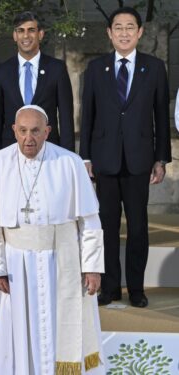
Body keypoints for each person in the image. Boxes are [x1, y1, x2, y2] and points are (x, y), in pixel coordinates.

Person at [0, 105, 104, 374]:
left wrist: (91, 267)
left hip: (62, 263)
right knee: (20, 330)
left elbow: (89, 222)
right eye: (22, 131)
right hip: (16, 265)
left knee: (61, 327)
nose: (28, 138)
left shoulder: (69, 162)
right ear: (14, 131)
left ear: (47, 132)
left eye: (35, 131)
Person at [80, 6, 171, 308]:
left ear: (140, 32)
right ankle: (110, 287)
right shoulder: (95, 69)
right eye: (118, 27)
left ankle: (135, 288)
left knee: (138, 227)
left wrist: (161, 159)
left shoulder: (154, 68)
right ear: (109, 33)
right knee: (105, 226)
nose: (124, 32)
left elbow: (160, 114)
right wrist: (86, 158)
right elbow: (88, 115)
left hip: (139, 161)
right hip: (104, 161)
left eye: (130, 27)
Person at [0, 11, 75, 154]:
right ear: (15, 35)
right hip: (11, 152)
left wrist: (68, 157)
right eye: (20, 31)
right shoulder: (2, 70)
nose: (26, 36)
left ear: (40, 34)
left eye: (31, 30)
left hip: (48, 150)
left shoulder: (57, 69)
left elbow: (66, 121)